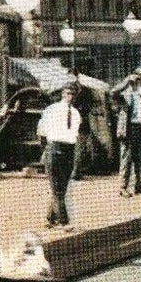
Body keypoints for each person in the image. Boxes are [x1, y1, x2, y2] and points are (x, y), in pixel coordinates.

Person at [38, 82, 81, 229]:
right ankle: (64, 222)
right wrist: (48, 149)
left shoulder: (75, 113)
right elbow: (41, 132)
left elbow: (75, 134)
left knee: (61, 188)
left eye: (73, 94)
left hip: (69, 150)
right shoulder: (52, 109)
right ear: (63, 94)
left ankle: (50, 218)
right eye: (68, 93)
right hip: (54, 148)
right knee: (57, 188)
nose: (70, 97)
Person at [117, 80, 141, 197]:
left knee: (138, 160)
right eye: (136, 82)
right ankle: (122, 187)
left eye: (139, 82)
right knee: (126, 160)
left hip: (139, 129)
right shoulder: (125, 95)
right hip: (129, 129)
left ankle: (138, 186)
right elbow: (113, 93)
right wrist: (125, 82)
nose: (139, 84)